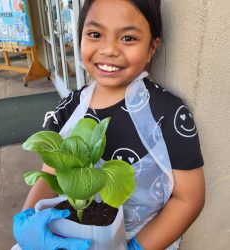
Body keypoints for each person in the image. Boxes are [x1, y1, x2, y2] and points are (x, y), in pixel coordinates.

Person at [13, 0, 205, 249]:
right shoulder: (69, 107)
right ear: (80, 37)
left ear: (151, 48)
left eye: (128, 38)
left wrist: (135, 247)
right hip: (65, 238)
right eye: (95, 34)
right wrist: (27, 219)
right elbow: (50, 175)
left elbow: (188, 199)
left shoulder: (169, 113)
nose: (109, 49)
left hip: (143, 240)